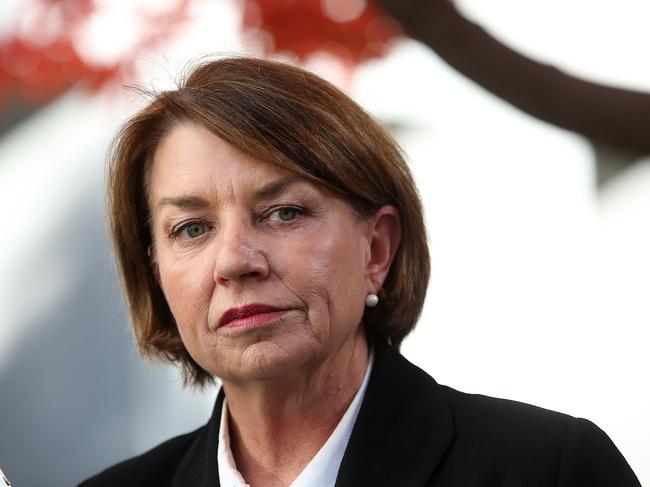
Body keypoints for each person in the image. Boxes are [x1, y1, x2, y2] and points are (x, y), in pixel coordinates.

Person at [80, 57, 641, 487]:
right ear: (156, 275)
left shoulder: (549, 471)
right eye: (192, 229)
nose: (233, 261)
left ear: (377, 250)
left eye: (284, 213)